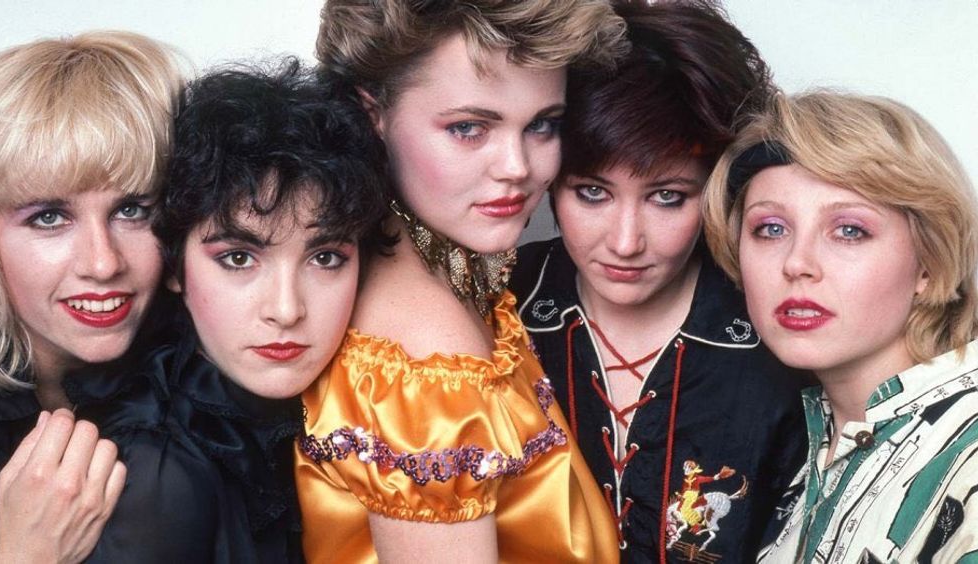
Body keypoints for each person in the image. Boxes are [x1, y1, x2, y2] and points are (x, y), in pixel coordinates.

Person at [294, 1, 628, 562]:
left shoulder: (421, 273)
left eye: (542, 124)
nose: (517, 166)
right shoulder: (427, 354)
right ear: (372, 114)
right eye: (469, 128)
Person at [508, 3, 808, 562]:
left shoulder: (782, 332)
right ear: (550, 179)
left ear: (717, 189)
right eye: (592, 193)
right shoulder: (497, 308)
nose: (626, 242)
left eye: (667, 197)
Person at [703, 91, 978, 562]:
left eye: (850, 230)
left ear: (928, 264)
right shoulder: (805, 443)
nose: (797, 263)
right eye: (771, 228)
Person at [145, 59, 390, 562]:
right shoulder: (156, 477)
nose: (286, 310)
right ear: (174, 266)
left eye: (325, 258)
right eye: (239, 258)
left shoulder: (359, 407)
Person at [0, 31, 182, 563]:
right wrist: (28, 553)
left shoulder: (210, 387)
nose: (103, 262)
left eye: (132, 210)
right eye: (49, 217)